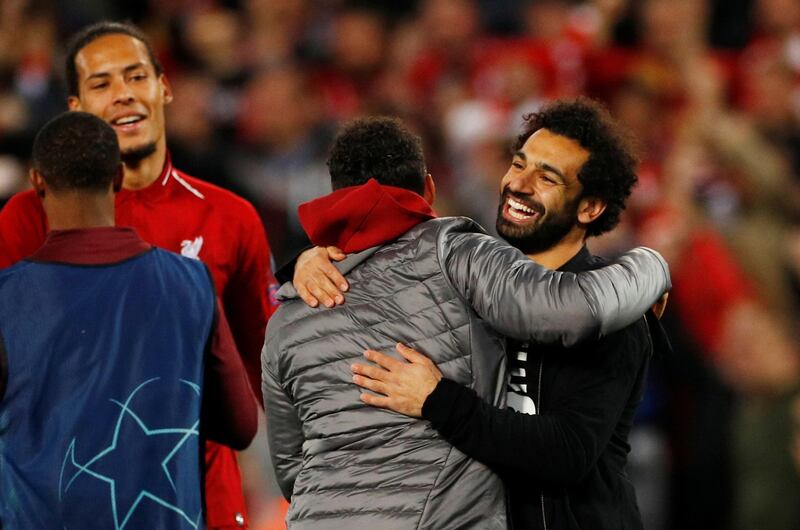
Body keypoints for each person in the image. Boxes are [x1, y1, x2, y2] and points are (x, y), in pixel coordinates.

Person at [262, 116, 670, 528]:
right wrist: (313, 259)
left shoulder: (615, 315)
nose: (519, 184)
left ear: (590, 207)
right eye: (518, 163)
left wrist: (439, 401)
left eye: (547, 178)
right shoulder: (462, 281)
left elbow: (568, 454)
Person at [0, 22, 277, 528]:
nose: (123, 93)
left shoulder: (231, 217)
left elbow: (266, 369)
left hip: (198, 505)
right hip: (64, 500)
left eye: (135, 76)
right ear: (76, 107)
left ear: (163, 87)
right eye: (102, 83)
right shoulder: (27, 216)